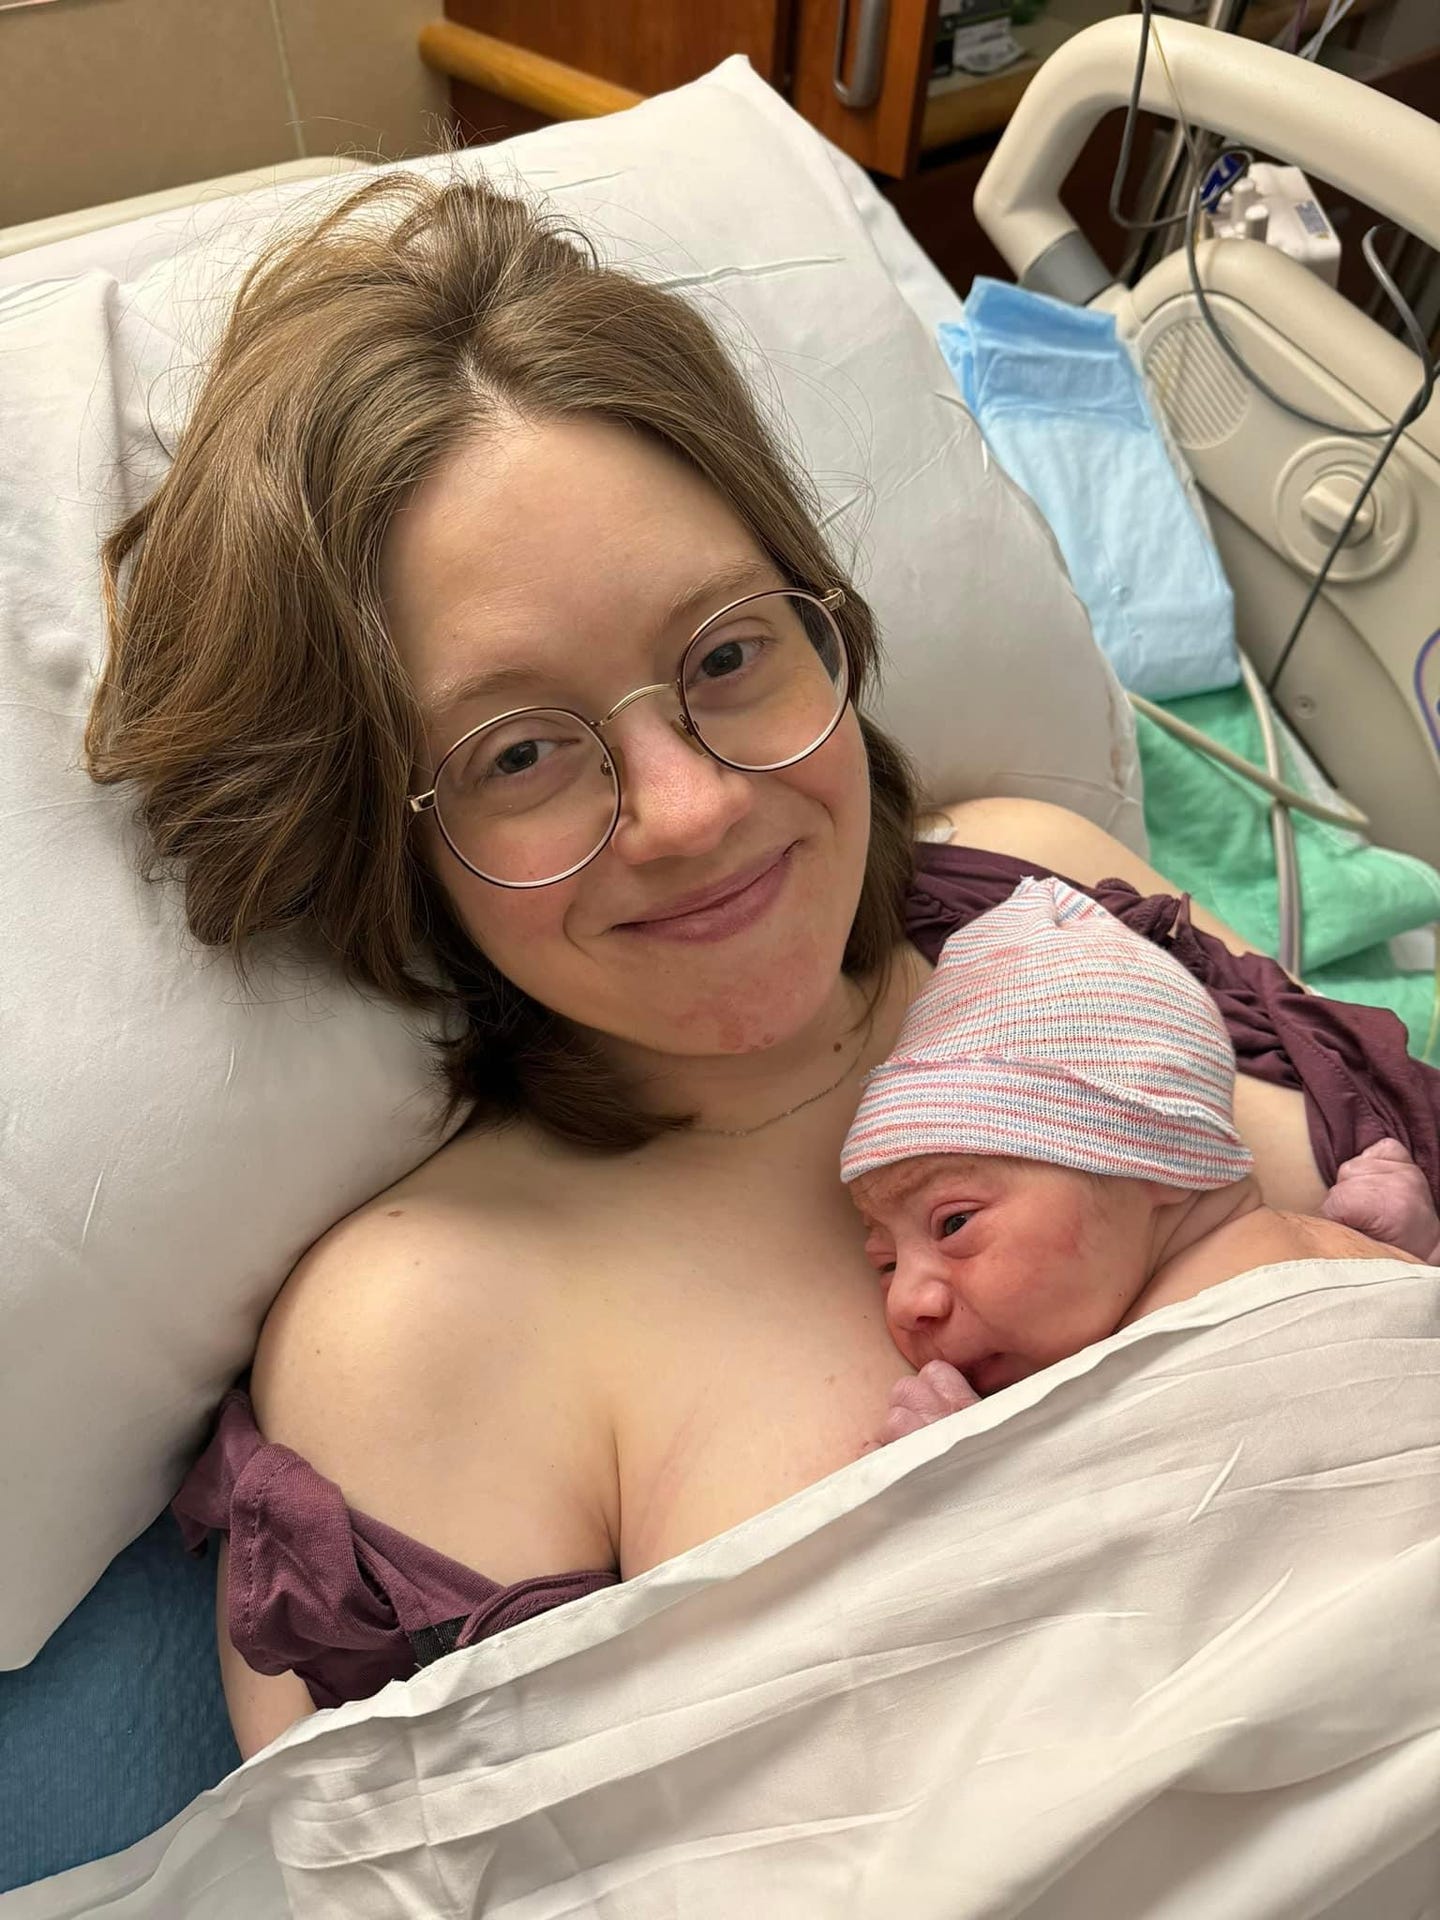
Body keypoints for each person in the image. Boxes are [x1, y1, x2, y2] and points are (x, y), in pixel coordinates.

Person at [83, 171, 1440, 1760]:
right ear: (379, 831)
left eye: (728, 655)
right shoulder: (428, 1330)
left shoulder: (1047, 898)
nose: (696, 806)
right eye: (522, 753)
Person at [840, 877, 1431, 1444]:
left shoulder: (1183, 1343)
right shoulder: (1135, 1359)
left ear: (1157, 1152)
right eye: (886, 1264)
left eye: (955, 1223)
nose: (906, 1303)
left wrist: (965, 1476)